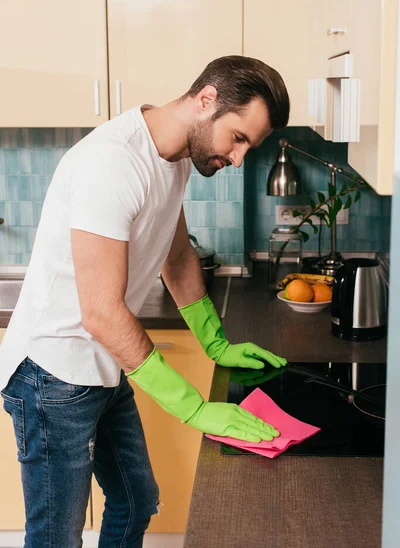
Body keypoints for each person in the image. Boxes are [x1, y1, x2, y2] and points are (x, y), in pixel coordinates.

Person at [0, 55, 290, 548]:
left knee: (137, 500)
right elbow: (101, 312)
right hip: (53, 374)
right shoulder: (113, 163)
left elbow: (175, 257)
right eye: (239, 138)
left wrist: (215, 344)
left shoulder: (172, 156)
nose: (239, 158)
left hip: (106, 364)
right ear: (206, 101)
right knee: (55, 538)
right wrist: (195, 409)